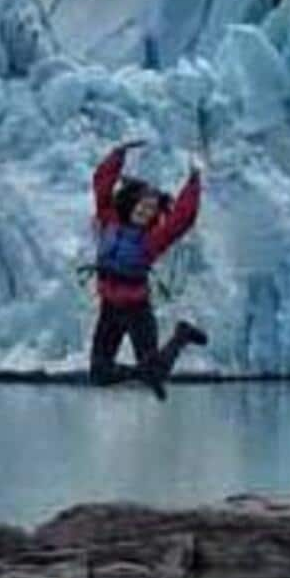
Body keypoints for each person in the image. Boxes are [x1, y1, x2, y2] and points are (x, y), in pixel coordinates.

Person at [89, 139, 208, 400]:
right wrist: (118, 154)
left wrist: (194, 180)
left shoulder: (153, 240)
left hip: (136, 310)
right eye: (142, 205)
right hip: (109, 308)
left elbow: (182, 219)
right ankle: (145, 373)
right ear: (131, 203)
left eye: (151, 209)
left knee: (156, 372)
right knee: (99, 374)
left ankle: (181, 336)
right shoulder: (108, 220)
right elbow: (101, 185)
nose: (145, 211)